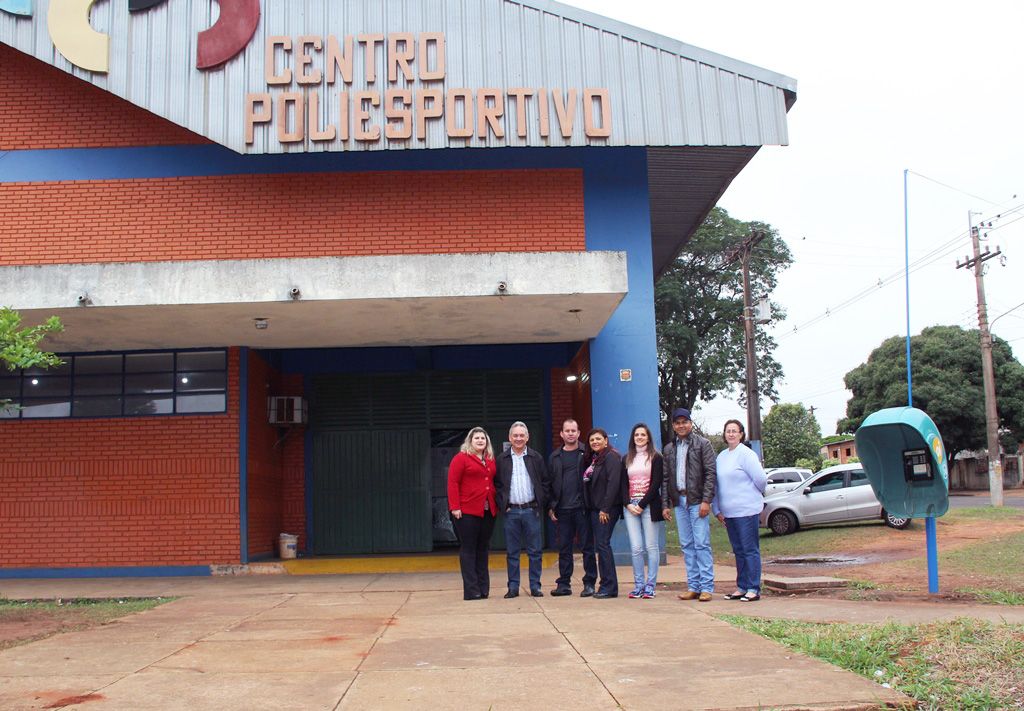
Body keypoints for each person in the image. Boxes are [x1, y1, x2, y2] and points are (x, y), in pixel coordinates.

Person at [661, 407, 717, 602]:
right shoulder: (669, 448)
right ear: (673, 426)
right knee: (686, 545)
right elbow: (666, 478)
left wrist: (706, 500)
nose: (681, 425)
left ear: (691, 424)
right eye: (677, 423)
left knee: (701, 544)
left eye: (684, 422)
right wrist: (665, 504)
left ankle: (707, 587)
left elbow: (711, 474)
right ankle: (693, 586)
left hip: (697, 501)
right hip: (679, 502)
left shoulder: (703, 444)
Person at [494, 421, 551, 598]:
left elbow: (545, 482)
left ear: (527, 437)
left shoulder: (536, 457)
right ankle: (513, 586)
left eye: (522, 435)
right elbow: (496, 485)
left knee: (535, 551)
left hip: (531, 511)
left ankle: (535, 586)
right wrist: (503, 505)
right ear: (509, 438)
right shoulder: (502, 459)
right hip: (511, 512)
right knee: (512, 552)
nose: (518, 438)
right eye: (515, 435)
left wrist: (540, 503)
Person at [713, 419, 767, 602]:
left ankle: (753, 587)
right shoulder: (721, 456)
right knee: (738, 551)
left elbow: (761, 480)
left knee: (750, 549)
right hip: (729, 512)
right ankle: (742, 586)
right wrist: (717, 508)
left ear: (741, 434)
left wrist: (752, 495)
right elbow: (717, 485)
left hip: (747, 510)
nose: (731, 434)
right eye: (728, 431)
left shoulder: (747, 454)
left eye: (735, 431)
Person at [547, 418, 597, 597]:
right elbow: (551, 483)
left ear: (578, 433)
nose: (570, 433)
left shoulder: (587, 453)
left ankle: (590, 583)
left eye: (573, 431)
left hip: (583, 509)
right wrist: (552, 506)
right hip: (563, 510)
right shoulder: (554, 456)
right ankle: (564, 584)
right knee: (564, 549)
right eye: (566, 431)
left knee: (587, 548)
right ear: (561, 434)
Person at [448, 426, 498, 601]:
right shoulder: (461, 458)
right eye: (476, 438)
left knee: (482, 548)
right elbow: (453, 482)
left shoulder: (491, 459)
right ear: (470, 441)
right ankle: (471, 590)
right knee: (469, 549)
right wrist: (455, 506)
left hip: (488, 510)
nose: (480, 441)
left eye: (483, 438)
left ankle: (483, 589)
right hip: (467, 510)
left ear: (487, 442)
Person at [620, 422, 664, 599]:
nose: (639, 438)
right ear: (633, 438)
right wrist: (628, 504)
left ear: (648, 437)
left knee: (651, 547)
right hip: (630, 507)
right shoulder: (627, 458)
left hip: (649, 507)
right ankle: (638, 585)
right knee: (636, 548)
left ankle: (650, 586)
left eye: (643, 435)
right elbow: (623, 484)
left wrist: (642, 504)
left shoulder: (656, 457)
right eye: (637, 435)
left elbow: (656, 484)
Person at [583, 427, 622, 599]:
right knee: (601, 545)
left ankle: (609, 586)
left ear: (606, 440)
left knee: (603, 545)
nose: (595, 442)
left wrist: (605, 509)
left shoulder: (611, 457)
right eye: (592, 440)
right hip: (595, 508)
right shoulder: (594, 459)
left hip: (606, 509)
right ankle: (606, 584)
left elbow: (613, 483)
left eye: (598, 439)